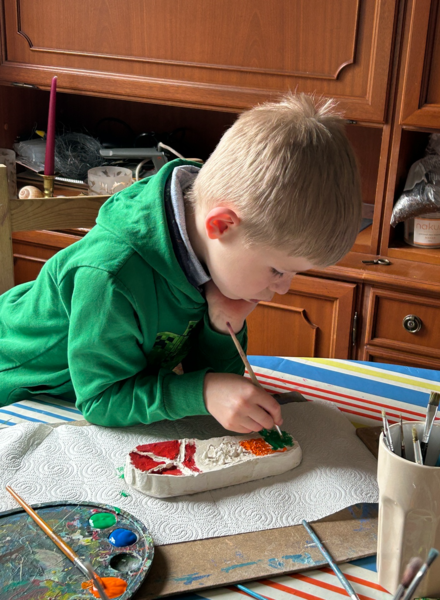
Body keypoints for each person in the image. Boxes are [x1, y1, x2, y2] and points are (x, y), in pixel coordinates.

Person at [0, 93, 361, 433]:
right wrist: (202, 392)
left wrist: (221, 328)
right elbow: (102, 400)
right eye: (278, 270)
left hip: (95, 386)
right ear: (221, 226)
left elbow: (214, 377)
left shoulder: (210, 245)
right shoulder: (109, 276)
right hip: (19, 388)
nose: (283, 288)